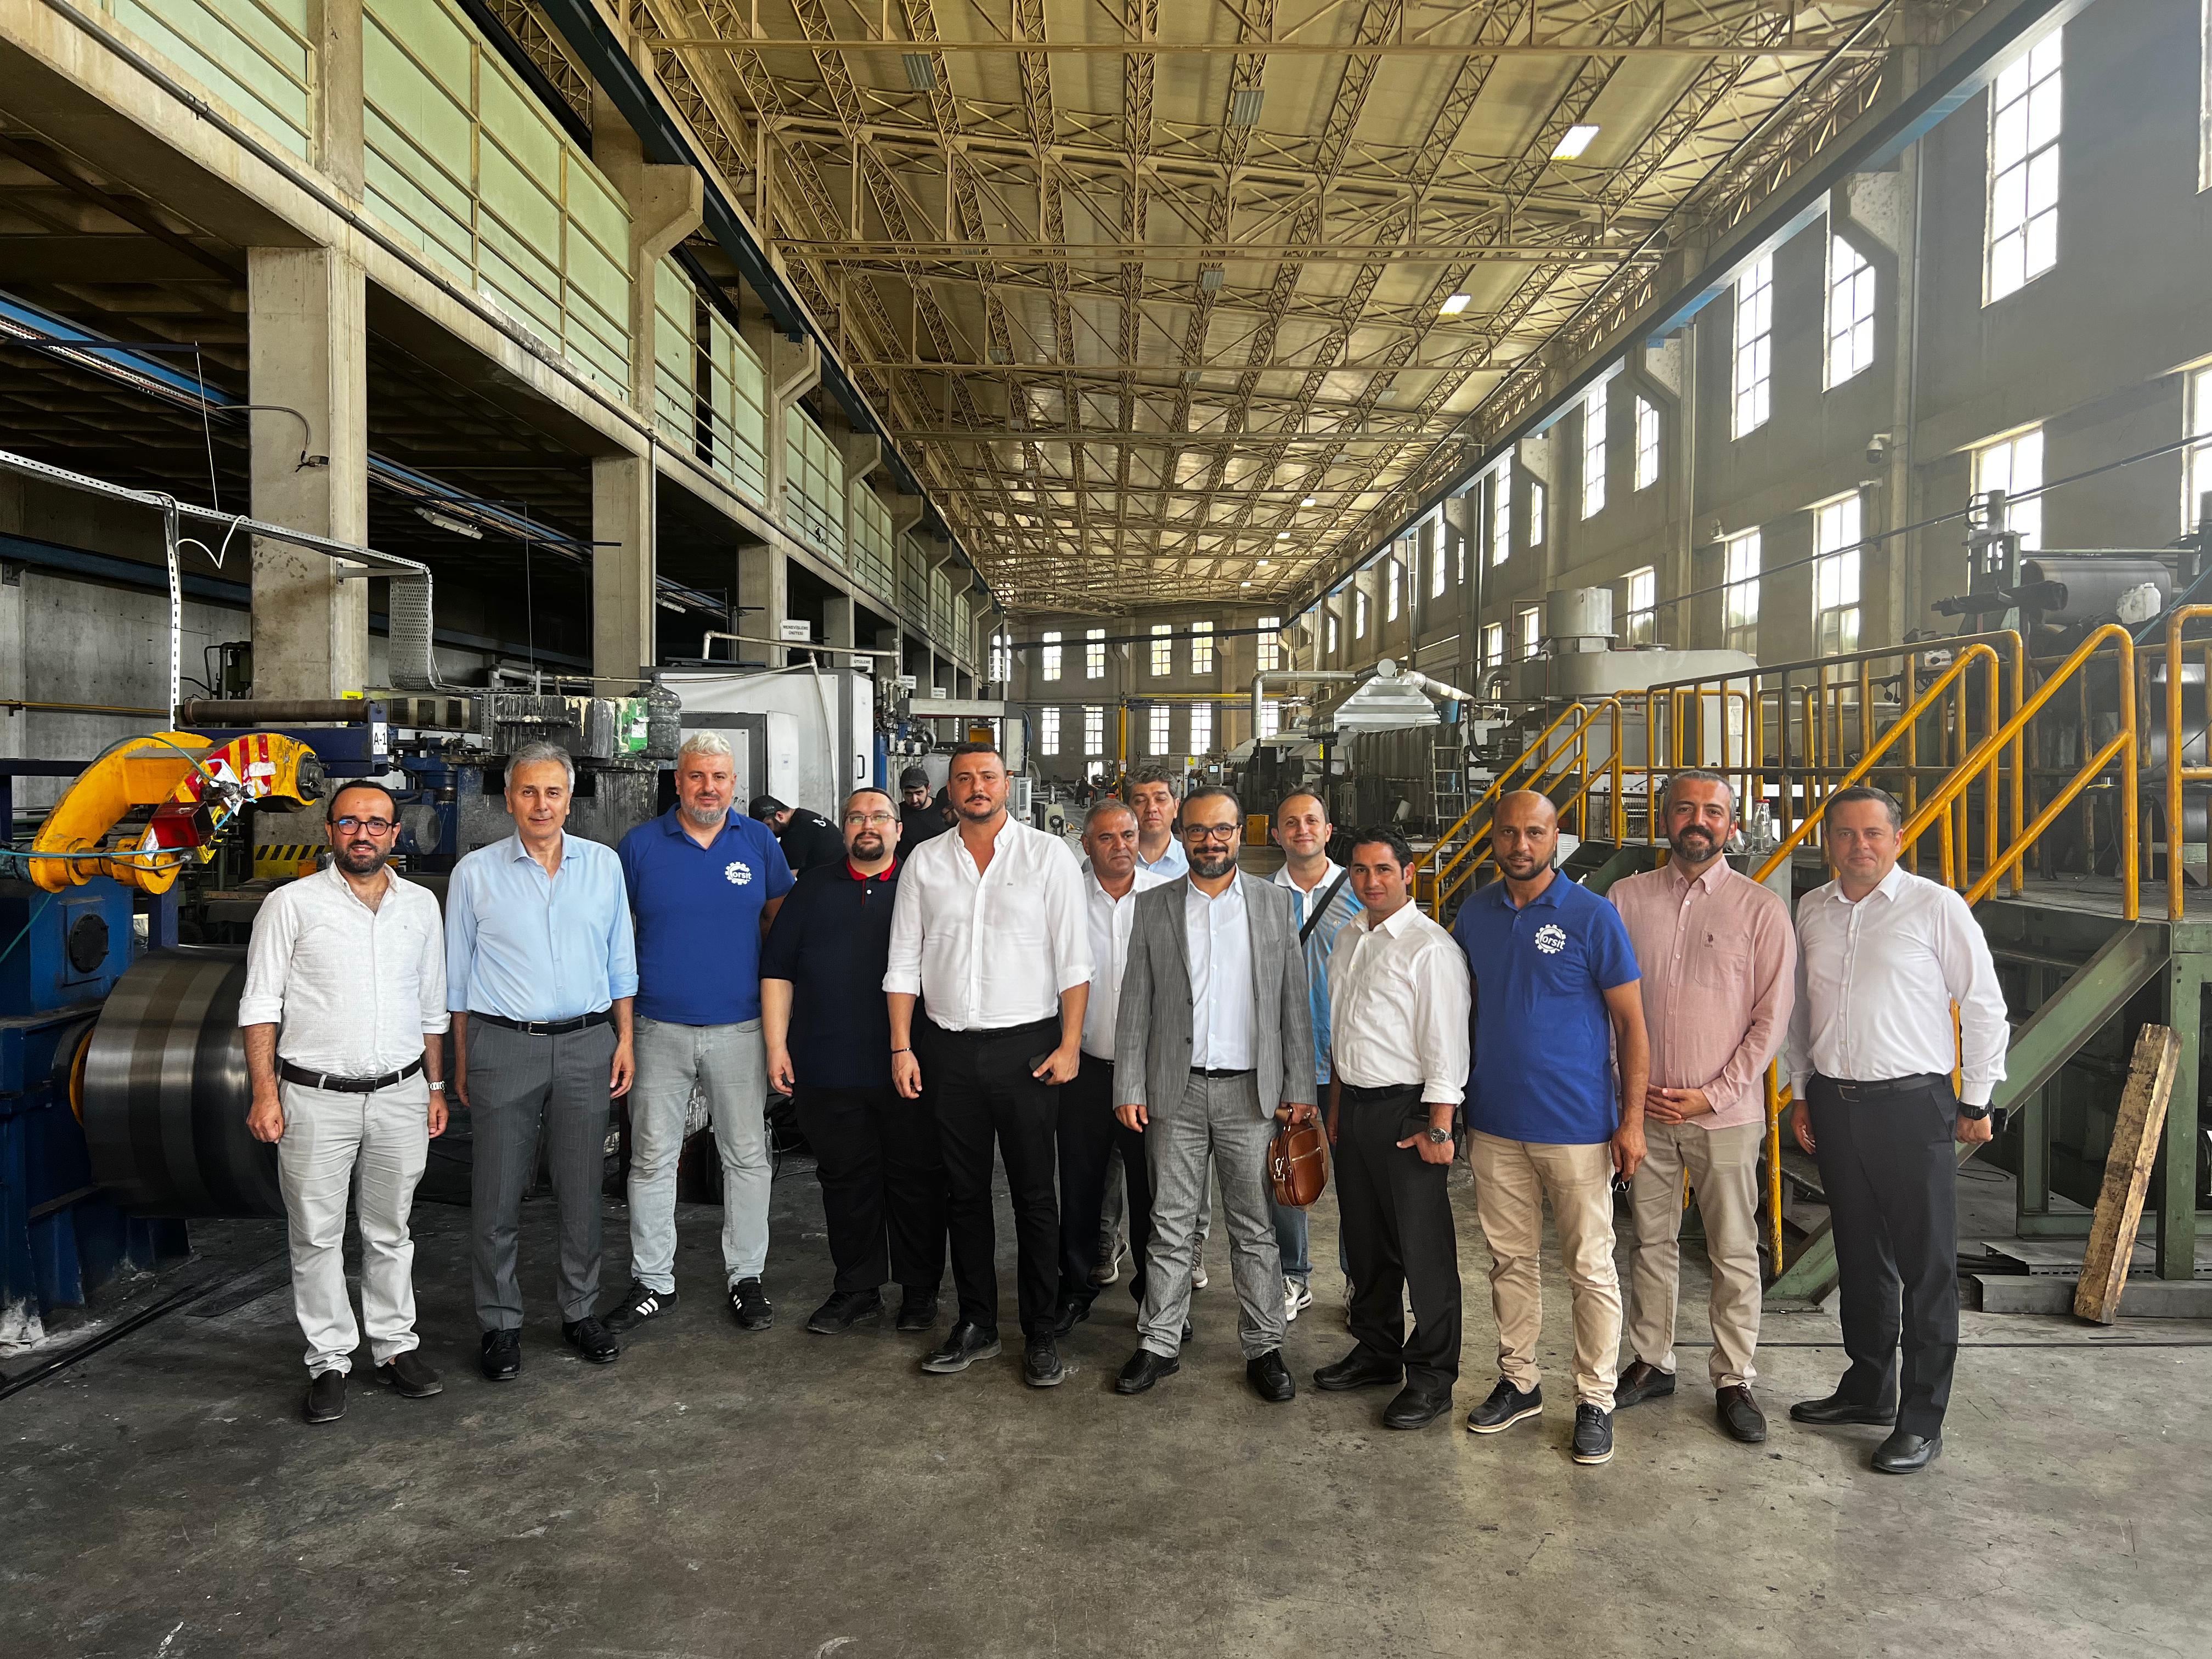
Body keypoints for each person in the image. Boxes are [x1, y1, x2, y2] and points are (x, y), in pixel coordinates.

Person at [1784, 784, 2007, 1475]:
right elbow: (1801, 1012)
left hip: (1913, 1107)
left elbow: (1984, 1004)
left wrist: (1976, 1100)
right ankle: (1868, 1388)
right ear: (1828, 842)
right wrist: (1802, 1091)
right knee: (1860, 1254)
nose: (1859, 846)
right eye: (1845, 834)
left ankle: (1921, 1420)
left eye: (1873, 833)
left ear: (1898, 839)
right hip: (1834, 1103)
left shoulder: (1935, 907)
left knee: (1926, 1266)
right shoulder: (1812, 909)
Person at [241, 782, 449, 1424]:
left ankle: (394, 1347)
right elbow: (260, 1004)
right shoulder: (290, 904)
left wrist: (435, 1088)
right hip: (315, 1099)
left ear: (395, 834)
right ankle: (329, 1360)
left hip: (401, 1095)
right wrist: (265, 1091)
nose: (364, 834)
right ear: (330, 830)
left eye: (377, 824)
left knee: (391, 1231)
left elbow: (432, 1007)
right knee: (315, 1236)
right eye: (351, 822)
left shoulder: (421, 907)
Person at [1451, 791, 1648, 1467]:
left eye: (1534, 833)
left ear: (1556, 836)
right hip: (1495, 1122)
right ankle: (1520, 1380)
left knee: (1589, 1266)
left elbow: (1632, 1025)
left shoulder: (1592, 917)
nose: (1521, 845)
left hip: (1577, 1127)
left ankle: (1595, 1398)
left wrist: (1631, 1121)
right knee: (1509, 1259)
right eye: (1509, 833)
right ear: (1494, 837)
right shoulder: (1474, 914)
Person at [885, 742, 1091, 1386]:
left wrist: (1070, 1044)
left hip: (1028, 1050)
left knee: (1035, 1196)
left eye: (988, 777)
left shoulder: (1048, 856)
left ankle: (1040, 1330)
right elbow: (903, 961)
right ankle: (977, 1322)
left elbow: (1074, 959)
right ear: (949, 790)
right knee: (964, 1194)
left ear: (1008, 784)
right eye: (965, 778)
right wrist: (902, 1046)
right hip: (947, 1050)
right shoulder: (925, 861)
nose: (977, 786)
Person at [1608, 770, 1796, 1445]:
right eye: (1685, 808)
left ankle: (1733, 1377)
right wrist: (1625, 1095)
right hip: (1646, 1112)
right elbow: (1606, 1004)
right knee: (1649, 1241)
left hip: (1725, 1115)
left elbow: (1771, 1020)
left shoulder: (1760, 910)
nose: (1699, 820)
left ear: (1732, 825)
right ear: (1664, 819)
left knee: (1734, 1247)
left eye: (1713, 811)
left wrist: (1714, 1093)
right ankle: (1651, 1361)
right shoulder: (1625, 899)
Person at [1111, 787, 1316, 1404]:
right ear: (1182, 834)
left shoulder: (1274, 905)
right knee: (1170, 1224)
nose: (1210, 841)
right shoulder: (1155, 905)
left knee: (1254, 1228)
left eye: (1222, 829)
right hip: (1175, 1092)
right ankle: (1158, 1343)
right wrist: (1129, 1084)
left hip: (1252, 1096)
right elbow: (1136, 1001)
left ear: (1240, 833)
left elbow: (1293, 1003)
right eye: (1198, 830)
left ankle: (1265, 1348)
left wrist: (1299, 1088)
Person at [448, 743, 637, 1380]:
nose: (541, 804)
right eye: (528, 792)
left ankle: (580, 1311)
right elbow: (456, 979)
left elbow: (621, 962)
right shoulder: (475, 873)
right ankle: (500, 1322)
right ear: (509, 800)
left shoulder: (603, 866)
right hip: (503, 1044)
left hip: (588, 1043)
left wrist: (625, 1040)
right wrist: (462, 1060)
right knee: (497, 1193)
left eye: (553, 792)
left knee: (582, 1190)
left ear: (569, 799)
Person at [604, 733, 793, 1339]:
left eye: (719, 777)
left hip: (741, 1028)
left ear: (734, 784)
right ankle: (653, 1281)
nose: (708, 787)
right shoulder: (640, 846)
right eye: (696, 776)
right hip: (657, 1027)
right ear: (678, 781)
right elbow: (616, 936)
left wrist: (778, 1028)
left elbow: (780, 926)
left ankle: (746, 1276)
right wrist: (624, 1030)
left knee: (747, 1157)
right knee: (651, 1159)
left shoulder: (758, 842)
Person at [763, 788, 947, 1335]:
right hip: (827, 1065)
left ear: (898, 828)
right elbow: (778, 970)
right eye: (857, 817)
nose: (868, 825)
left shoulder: (924, 886)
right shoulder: (813, 889)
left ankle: (920, 1289)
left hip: (911, 1067)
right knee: (845, 1181)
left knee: (916, 1179)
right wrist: (776, 1046)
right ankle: (857, 1288)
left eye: (880, 817)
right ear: (843, 828)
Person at [1314, 827, 1470, 1431]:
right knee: (1366, 1241)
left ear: (1408, 872)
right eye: (1360, 870)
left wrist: (1439, 1127)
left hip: (1410, 1111)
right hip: (1355, 1106)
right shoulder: (1350, 936)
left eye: (1383, 869)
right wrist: (1336, 1107)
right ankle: (1377, 1349)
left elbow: (1446, 1044)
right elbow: (1342, 1030)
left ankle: (1432, 1379)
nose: (1371, 881)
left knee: (1422, 1249)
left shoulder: (1429, 949)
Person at [1054, 799, 1167, 1335]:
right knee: (1081, 1186)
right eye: (1106, 837)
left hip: (1149, 1076)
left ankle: (1157, 1298)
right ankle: (1075, 1290)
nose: (1121, 845)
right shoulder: (1066, 899)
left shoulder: (1166, 898)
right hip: (1084, 1070)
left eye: (1128, 835)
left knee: (1154, 1192)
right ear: (1086, 844)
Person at [1271, 789, 1362, 1322]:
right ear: (1276, 834)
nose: (1302, 829)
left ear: (1328, 831)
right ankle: (1293, 1275)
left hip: (1350, 1060)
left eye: (1312, 820)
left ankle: (1358, 1279)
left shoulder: (1360, 890)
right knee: (1287, 1170)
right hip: (1288, 1060)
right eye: (1291, 822)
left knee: (1355, 1177)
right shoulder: (1260, 897)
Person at [749, 793, 846, 873]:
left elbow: (785, 880)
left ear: (780, 816)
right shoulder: (804, 818)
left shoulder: (796, 832)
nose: (767, 832)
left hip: (832, 883)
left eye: (768, 825)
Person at [1126, 766, 1189, 877]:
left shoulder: (1191, 863)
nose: (1151, 808)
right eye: (1141, 801)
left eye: (1161, 799)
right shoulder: (1109, 862)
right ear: (1127, 809)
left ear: (1176, 807)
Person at [899, 766, 952, 848]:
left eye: (919, 793)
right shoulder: (897, 813)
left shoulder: (945, 810)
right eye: (909, 794)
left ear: (929, 789)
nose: (914, 800)